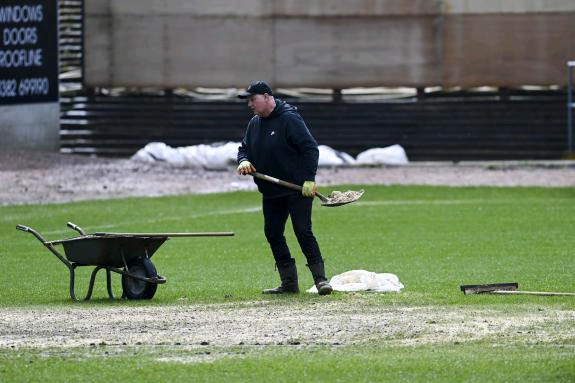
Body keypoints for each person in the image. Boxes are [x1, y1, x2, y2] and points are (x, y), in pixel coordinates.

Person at [236, 80, 333, 296]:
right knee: (273, 233)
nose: (250, 104)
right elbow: (245, 148)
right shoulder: (255, 123)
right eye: (248, 101)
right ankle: (289, 283)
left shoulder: (289, 118)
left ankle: (321, 280)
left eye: (253, 99)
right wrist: (243, 160)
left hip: (297, 189)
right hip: (271, 191)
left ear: (267, 97)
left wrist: (309, 179)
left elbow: (310, 149)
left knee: (303, 231)